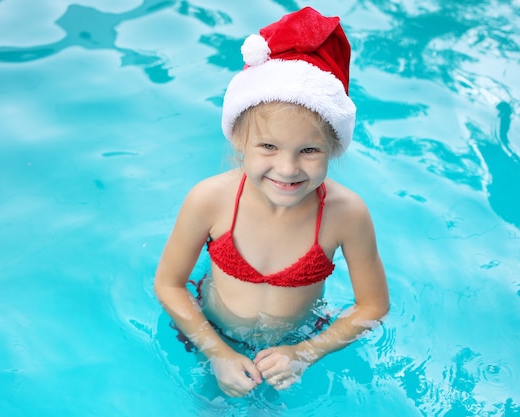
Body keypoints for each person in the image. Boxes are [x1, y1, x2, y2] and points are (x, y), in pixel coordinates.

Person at [154, 7, 389, 398]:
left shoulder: (346, 215)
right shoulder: (210, 199)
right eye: (268, 146)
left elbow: (373, 306)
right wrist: (217, 353)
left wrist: (306, 353)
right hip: (210, 331)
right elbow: (168, 284)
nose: (287, 167)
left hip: (297, 341)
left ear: (334, 148)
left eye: (309, 150)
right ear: (239, 141)